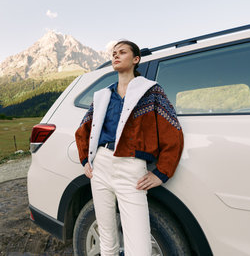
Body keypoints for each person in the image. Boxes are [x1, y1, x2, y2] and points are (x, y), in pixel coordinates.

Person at [75, 40, 184, 256]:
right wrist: (85, 161)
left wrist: (161, 173)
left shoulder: (151, 91)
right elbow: (83, 129)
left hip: (131, 170)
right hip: (101, 167)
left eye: (122, 52)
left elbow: (173, 131)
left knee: (140, 246)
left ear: (135, 59)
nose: (115, 55)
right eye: (113, 53)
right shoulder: (102, 95)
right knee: (107, 238)